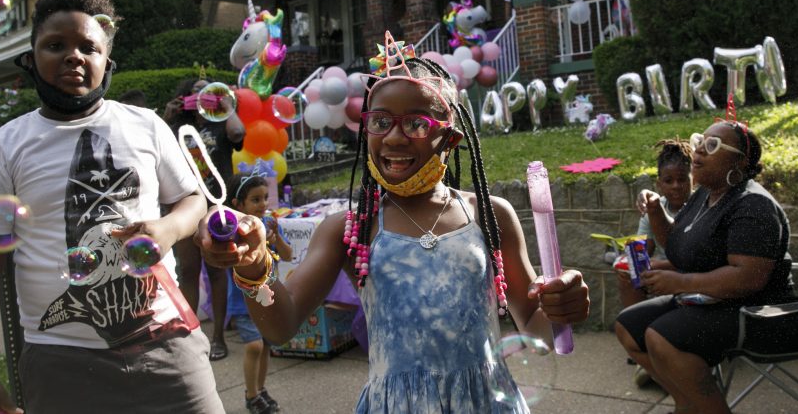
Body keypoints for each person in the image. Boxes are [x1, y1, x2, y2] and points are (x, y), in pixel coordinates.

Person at [198, 32, 590, 413]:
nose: (395, 138)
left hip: (485, 400)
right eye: (380, 121)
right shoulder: (349, 229)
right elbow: (281, 325)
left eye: (417, 124)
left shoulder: (490, 214)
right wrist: (254, 269)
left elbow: (537, 327)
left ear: (450, 139)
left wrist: (561, 309)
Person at [0, 0, 223, 414]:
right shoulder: (4, 147)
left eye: (88, 47)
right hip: (59, 362)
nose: (73, 55)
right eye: (55, 44)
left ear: (107, 61)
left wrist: (168, 229)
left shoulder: (146, 125)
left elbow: (192, 200)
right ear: (31, 58)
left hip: (170, 348)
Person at [615, 121, 798, 414]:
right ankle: (688, 402)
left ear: (739, 161)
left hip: (764, 314)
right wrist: (656, 211)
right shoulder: (706, 195)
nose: (698, 151)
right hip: (717, 301)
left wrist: (680, 283)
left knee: (662, 338)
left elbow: (747, 278)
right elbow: (679, 247)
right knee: (629, 328)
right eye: (699, 142)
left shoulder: (752, 205)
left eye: (712, 146)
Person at [163, 76, 245, 361]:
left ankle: (218, 337)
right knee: (187, 270)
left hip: (215, 207)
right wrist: (167, 116)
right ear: (185, 95)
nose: (201, 94)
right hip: (183, 208)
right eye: (195, 90)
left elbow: (238, 133)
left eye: (208, 90)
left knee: (216, 271)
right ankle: (190, 336)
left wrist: (228, 107)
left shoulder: (221, 124)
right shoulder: (174, 127)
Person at [612, 138, 692, 388]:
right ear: (659, 183)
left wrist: (654, 265)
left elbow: (694, 258)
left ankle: (663, 364)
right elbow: (644, 248)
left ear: (693, 178)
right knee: (628, 273)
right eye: (668, 181)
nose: (676, 186)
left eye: (682, 179)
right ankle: (641, 345)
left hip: (691, 270)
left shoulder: (699, 205)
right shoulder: (654, 207)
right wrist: (629, 257)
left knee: (650, 269)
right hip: (662, 268)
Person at [225, 172, 293, 414]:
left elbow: (288, 255)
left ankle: (260, 390)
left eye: (265, 198)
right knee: (254, 346)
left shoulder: (269, 225)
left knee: (265, 345)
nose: (263, 204)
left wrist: (276, 240)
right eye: (255, 200)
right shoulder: (231, 231)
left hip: (267, 299)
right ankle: (251, 395)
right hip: (244, 300)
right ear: (238, 204)